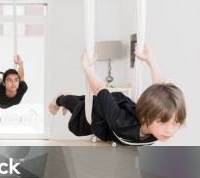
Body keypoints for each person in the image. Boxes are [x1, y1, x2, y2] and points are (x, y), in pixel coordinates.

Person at [48, 45, 186, 145]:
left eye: (175, 123)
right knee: (78, 109)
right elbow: (99, 88)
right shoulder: (122, 124)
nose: (169, 130)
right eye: (162, 122)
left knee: (86, 101)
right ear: (145, 116)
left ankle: (71, 98)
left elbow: (160, 88)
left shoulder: (157, 128)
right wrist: (86, 68)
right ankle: (60, 99)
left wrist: (151, 61)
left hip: (119, 107)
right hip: (101, 115)